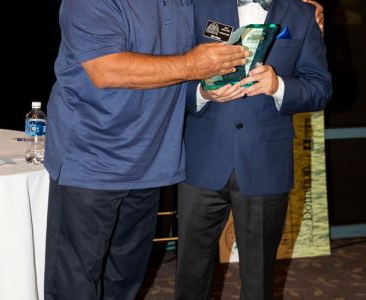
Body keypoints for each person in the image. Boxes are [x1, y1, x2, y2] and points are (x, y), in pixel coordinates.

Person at [42, 0, 250, 300]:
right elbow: (106, 70)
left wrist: (299, 12)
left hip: (152, 160)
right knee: (75, 283)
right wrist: (192, 65)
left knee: (126, 278)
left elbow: (232, 12)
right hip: (89, 159)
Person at [175, 0, 332, 299]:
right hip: (201, 160)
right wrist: (201, 92)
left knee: (259, 280)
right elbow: (172, 74)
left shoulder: (301, 15)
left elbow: (321, 88)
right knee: (190, 275)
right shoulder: (196, 7)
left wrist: (279, 86)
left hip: (265, 164)